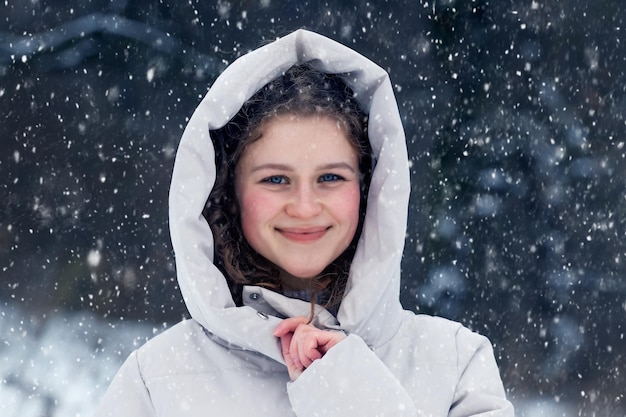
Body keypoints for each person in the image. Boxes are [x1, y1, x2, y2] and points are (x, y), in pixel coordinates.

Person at [93, 29, 514, 417]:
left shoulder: (455, 362)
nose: (305, 205)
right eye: (276, 179)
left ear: (368, 189)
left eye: (330, 177)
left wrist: (351, 395)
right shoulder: (157, 380)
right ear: (228, 192)